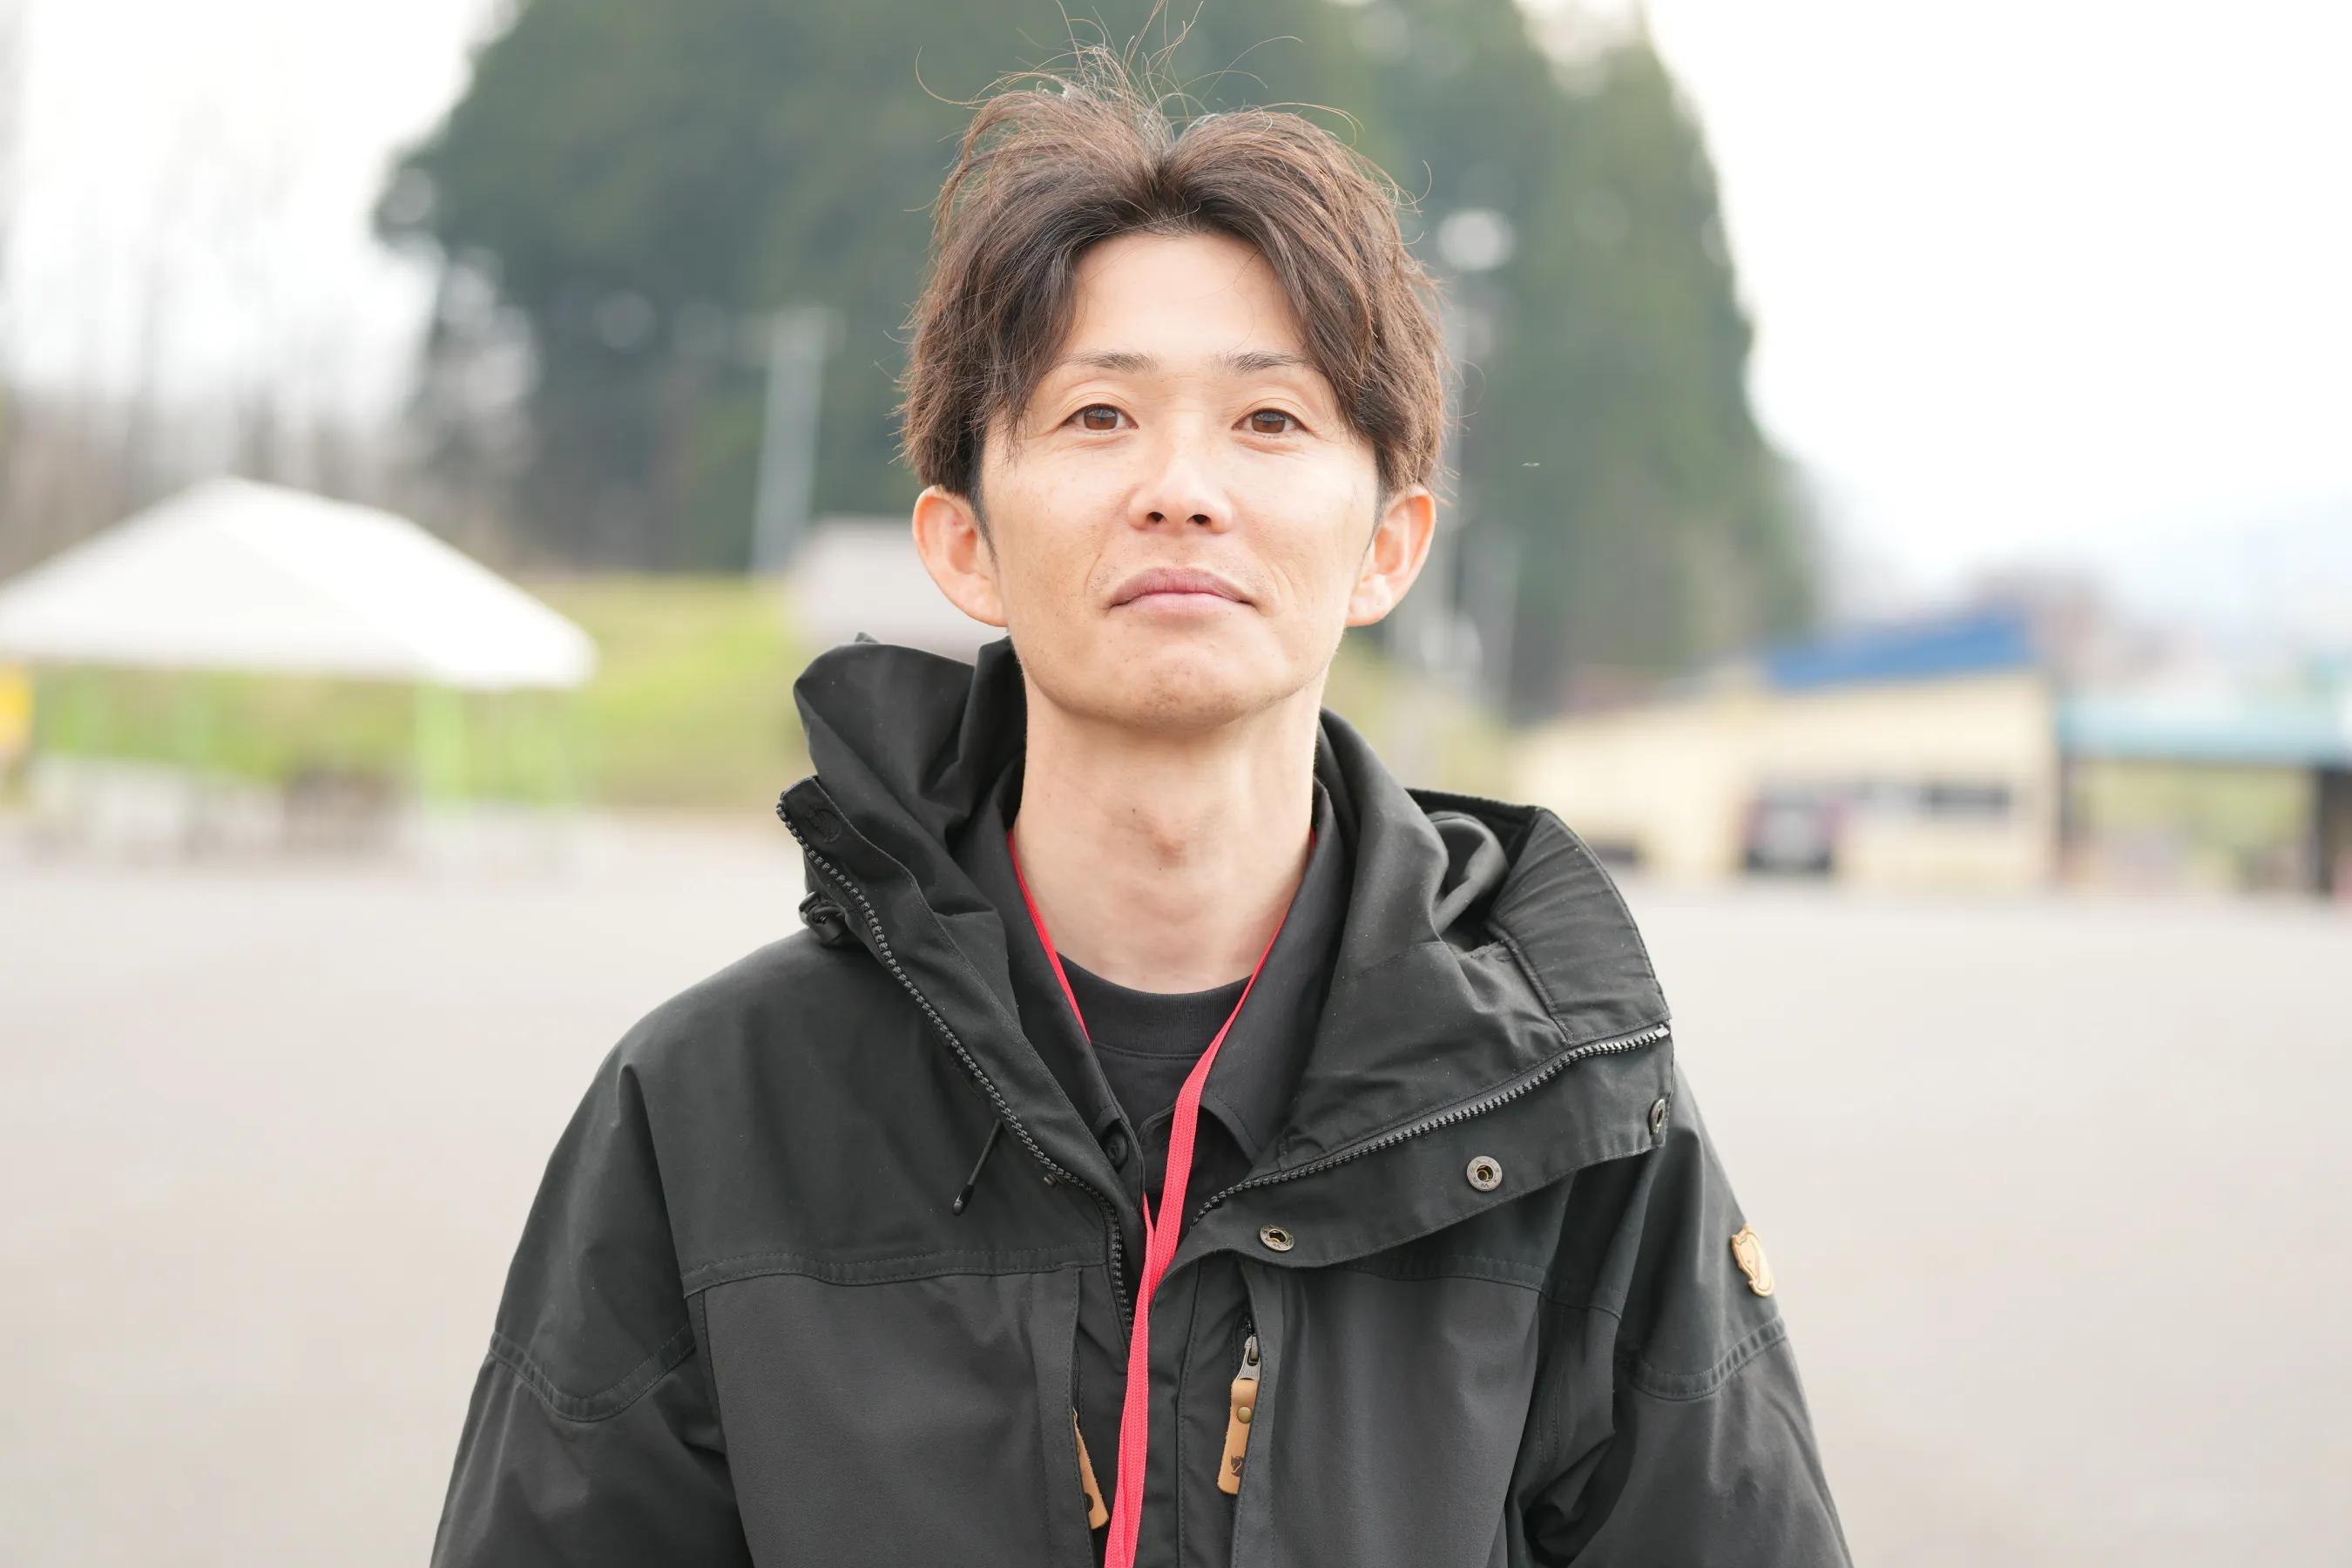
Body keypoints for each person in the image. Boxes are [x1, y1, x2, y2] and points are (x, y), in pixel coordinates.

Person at [431, 57, 1849, 1568]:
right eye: (1098, 414)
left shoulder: (1568, 1119)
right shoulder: (711, 1107)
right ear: (964, 545)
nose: (1181, 488)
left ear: (1390, 545)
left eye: (1270, 420)